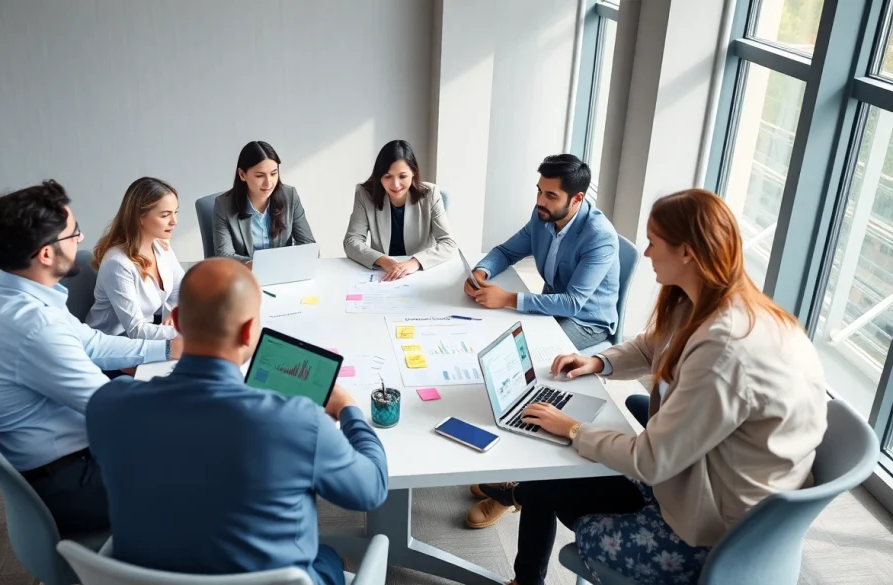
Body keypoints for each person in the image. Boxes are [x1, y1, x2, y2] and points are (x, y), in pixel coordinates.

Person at [466, 189, 827, 585]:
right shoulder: (716, 301)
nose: (647, 253)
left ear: (687, 252)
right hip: (713, 478)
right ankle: (523, 507)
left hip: (712, 532)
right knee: (560, 469)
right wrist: (600, 361)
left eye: (655, 242)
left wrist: (572, 429)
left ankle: (522, 505)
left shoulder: (725, 349)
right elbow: (653, 344)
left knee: (557, 479)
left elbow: (652, 460)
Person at [86, 258, 388, 585]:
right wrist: (348, 410)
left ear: (175, 321)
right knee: (326, 557)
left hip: (147, 575)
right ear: (247, 331)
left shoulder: (108, 405)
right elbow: (370, 489)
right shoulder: (299, 421)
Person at [0, 180, 183, 534]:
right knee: (208, 472)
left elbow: (92, 343)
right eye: (73, 233)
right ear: (46, 254)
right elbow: (113, 409)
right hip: (71, 477)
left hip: (74, 450)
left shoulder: (1, 287)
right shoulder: (34, 326)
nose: (81, 239)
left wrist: (170, 347)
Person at [465, 154, 619, 349]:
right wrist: (480, 272)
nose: (540, 201)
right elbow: (506, 252)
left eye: (551, 196)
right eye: (539, 191)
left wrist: (508, 298)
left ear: (577, 199)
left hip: (584, 321)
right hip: (551, 306)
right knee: (491, 330)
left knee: (521, 348)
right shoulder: (542, 216)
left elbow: (572, 303)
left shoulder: (599, 237)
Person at [86, 177, 185, 340]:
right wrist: (193, 333)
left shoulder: (161, 245)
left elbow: (182, 291)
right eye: (165, 215)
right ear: (140, 218)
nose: (174, 221)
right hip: (111, 346)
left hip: (143, 338)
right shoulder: (117, 263)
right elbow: (136, 330)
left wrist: (176, 313)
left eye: (175, 212)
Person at [344, 139, 456, 281]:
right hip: (383, 273)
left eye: (402, 176)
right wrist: (383, 260)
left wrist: (413, 263)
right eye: (388, 176)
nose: (395, 184)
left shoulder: (431, 193)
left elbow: (448, 244)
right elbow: (351, 241)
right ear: (379, 177)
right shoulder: (365, 193)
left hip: (419, 273)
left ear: (414, 172)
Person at [213, 141, 315, 263]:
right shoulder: (223, 205)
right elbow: (225, 256)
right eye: (260, 176)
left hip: (283, 276)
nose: (268, 183)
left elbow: (309, 247)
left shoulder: (290, 196)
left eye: (273, 174)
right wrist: (261, 266)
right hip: (245, 276)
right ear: (242, 174)